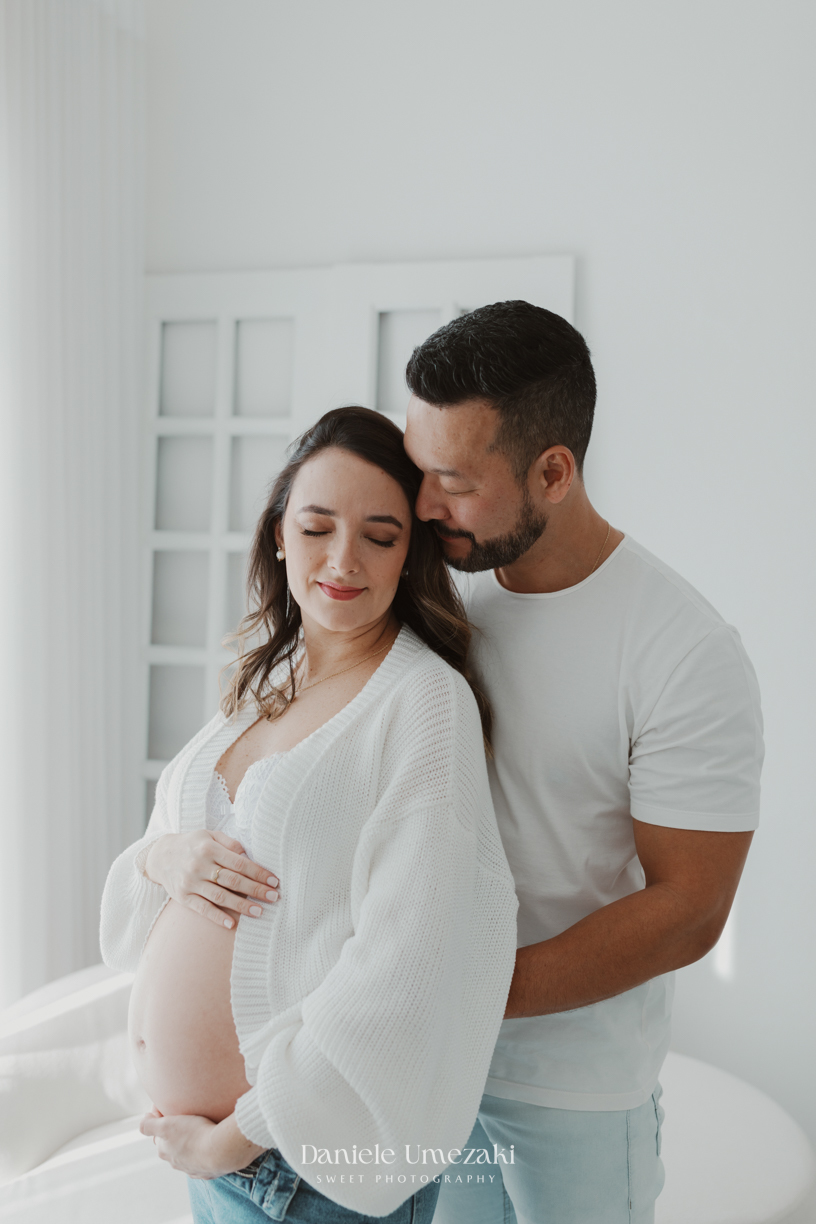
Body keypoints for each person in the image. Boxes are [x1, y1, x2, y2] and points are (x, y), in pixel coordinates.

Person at [99, 406, 519, 1223]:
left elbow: (408, 967)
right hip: (213, 1159)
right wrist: (166, 859)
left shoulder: (425, 705)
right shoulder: (262, 684)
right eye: (318, 526)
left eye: (380, 535)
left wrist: (242, 1133)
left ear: (411, 555)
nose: (343, 560)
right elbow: (149, 875)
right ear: (281, 534)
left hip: (304, 1172)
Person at [402, 301, 763, 1224]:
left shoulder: (682, 648)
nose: (422, 505)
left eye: (453, 478)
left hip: (576, 1093)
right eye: (417, 470)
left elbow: (689, 910)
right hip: (418, 1075)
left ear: (554, 471)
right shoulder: (437, 602)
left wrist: (465, 1001)